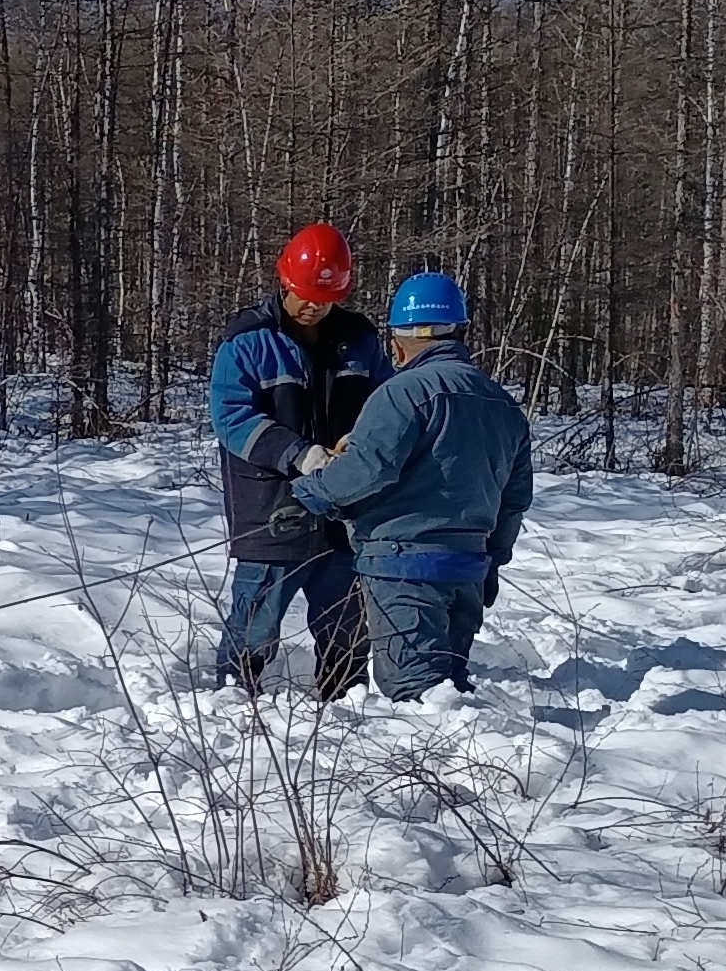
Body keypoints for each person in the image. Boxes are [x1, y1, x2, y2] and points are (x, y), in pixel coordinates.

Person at [286, 269, 534, 701]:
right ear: (459, 331)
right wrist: (493, 559)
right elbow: (514, 502)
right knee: (451, 697)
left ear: (398, 341)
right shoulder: (502, 404)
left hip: (403, 570)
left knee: (418, 698)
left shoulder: (401, 394)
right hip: (468, 570)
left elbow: (366, 469)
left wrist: (309, 492)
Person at [206, 221, 387, 698]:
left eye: (325, 298)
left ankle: (347, 702)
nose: (314, 306)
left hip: (344, 512)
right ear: (284, 281)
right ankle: (233, 697)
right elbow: (231, 420)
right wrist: (299, 454)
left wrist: (362, 443)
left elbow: (386, 406)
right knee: (255, 621)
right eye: (305, 294)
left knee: (349, 622)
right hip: (272, 514)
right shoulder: (246, 342)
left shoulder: (360, 340)